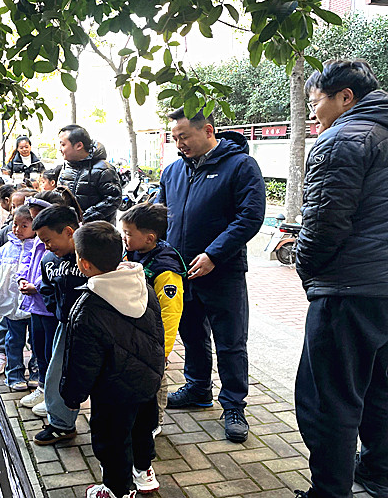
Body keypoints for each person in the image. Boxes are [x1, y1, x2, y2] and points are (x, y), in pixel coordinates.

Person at [293, 60, 388, 498]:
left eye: (316, 103)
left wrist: (306, 269)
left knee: (328, 399)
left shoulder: (342, 139)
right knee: (375, 385)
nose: (313, 113)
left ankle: (330, 492)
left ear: (345, 97)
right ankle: (378, 476)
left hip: (351, 291)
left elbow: (323, 225)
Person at [157, 106, 265, 443]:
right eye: (175, 138)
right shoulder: (173, 171)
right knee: (191, 334)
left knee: (230, 342)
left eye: (184, 137)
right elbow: (160, 217)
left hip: (223, 271)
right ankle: (198, 388)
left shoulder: (240, 165)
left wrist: (214, 254)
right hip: (181, 271)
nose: (180, 144)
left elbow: (250, 216)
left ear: (208, 131)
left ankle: (233, 405)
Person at [61, 222, 165, 498]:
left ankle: (117, 490)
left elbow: (82, 361)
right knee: (142, 429)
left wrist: (72, 395)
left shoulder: (88, 307)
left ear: (83, 263)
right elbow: (158, 332)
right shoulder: (143, 286)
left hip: (112, 391)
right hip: (146, 382)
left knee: (112, 439)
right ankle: (144, 472)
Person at [120, 203, 186, 435]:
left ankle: (154, 422)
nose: (124, 238)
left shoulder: (166, 269)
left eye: (128, 233)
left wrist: (163, 350)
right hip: (134, 334)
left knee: (155, 380)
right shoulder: (133, 253)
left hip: (154, 340)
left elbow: (171, 312)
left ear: (149, 238)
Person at [16, 188, 84, 412]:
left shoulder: (82, 257)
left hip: (63, 318)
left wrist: (58, 309)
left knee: (58, 358)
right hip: (43, 309)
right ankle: (46, 390)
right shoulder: (46, 249)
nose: (45, 244)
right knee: (42, 352)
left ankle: (57, 401)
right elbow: (44, 279)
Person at [31, 204, 86, 445]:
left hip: (98, 329)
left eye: (48, 240)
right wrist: (56, 309)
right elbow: (47, 288)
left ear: (68, 232)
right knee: (58, 374)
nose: (46, 246)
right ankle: (61, 424)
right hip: (65, 327)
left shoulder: (94, 254)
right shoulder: (49, 259)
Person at [0, 205, 38, 391]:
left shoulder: (39, 248)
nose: (18, 229)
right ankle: (14, 374)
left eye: (24, 226)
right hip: (11, 304)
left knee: (36, 341)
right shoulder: (6, 249)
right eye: (15, 224)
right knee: (14, 339)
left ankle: (36, 372)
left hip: (34, 305)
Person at [56, 124, 121, 224]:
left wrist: (85, 218)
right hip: (71, 227)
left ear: (79, 146)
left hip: (96, 229)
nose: (60, 149)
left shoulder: (104, 169)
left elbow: (113, 199)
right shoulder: (66, 167)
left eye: (63, 145)